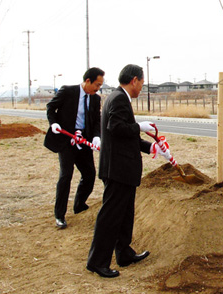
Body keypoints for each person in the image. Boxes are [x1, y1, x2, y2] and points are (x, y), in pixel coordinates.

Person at [86, 64, 156, 278]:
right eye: (142, 83)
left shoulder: (118, 97)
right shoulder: (118, 99)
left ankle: (124, 253)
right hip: (117, 169)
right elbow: (116, 128)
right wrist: (140, 126)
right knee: (110, 217)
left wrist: (150, 147)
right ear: (134, 80)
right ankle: (97, 262)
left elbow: (126, 136)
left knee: (125, 214)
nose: (141, 88)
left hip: (122, 169)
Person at [44, 67, 105, 229]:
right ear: (87, 81)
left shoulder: (95, 99)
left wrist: (97, 137)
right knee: (66, 175)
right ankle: (60, 215)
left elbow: (96, 120)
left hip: (83, 141)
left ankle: (79, 205)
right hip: (66, 141)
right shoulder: (68, 91)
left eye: (100, 86)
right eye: (97, 85)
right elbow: (51, 107)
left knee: (90, 174)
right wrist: (54, 123)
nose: (98, 88)